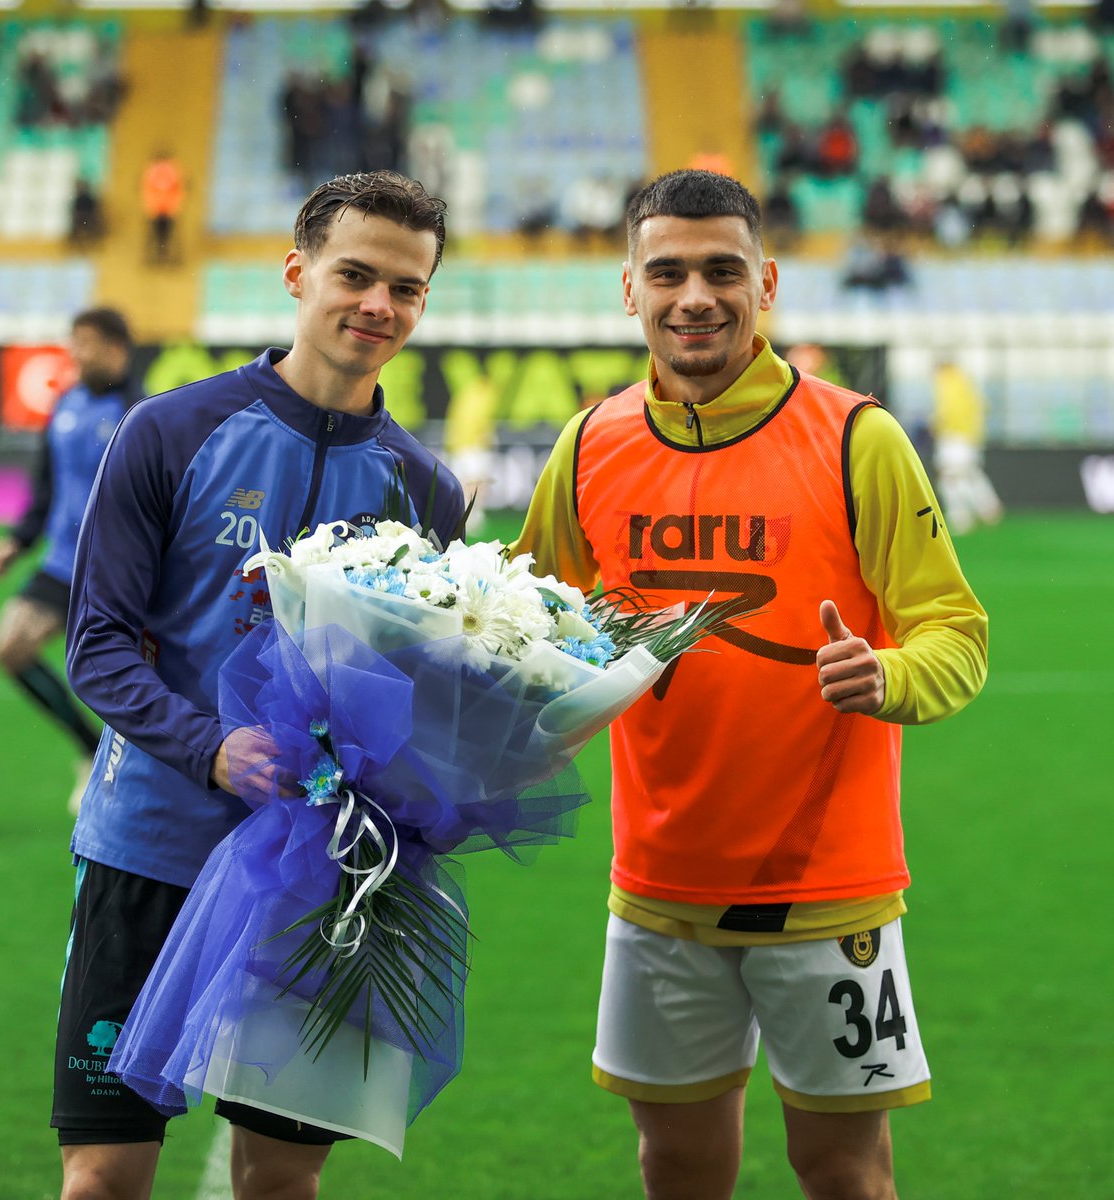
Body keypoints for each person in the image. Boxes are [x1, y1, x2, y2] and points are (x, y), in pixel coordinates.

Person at [510, 170, 988, 1200]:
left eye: (723, 271)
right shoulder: (590, 444)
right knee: (676, 1164)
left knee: (843, 1170)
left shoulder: (858, 436)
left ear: (764, 282)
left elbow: (956, 631)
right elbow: (531, 624)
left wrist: (889, 672)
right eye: (668, 271)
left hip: (830, 891)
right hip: (658, 888)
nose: (696, 296)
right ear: (628, 291)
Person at [54, 171, 464, 1200]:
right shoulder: (170, 431)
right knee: (104, 1174)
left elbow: (427, 687)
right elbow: (97, 645)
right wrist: (209, 747)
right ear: (297, 272)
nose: (378, 304)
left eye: (405, 288)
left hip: (317, 882)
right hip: (149, 849)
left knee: (279, 1182)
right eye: (356, 274)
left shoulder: (428, 491)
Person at [0, 308, 136, 815]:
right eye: (74, 343)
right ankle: (90, 751)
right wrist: (18, 540)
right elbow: (48, 486)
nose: (76, 353)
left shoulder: (142, 410)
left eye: (86, 344)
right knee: (10, 649)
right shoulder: (65, 403)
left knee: (112, 679)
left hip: (114, 571)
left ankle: (132, 771)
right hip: (62, 564)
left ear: (116, 349)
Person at [930, 358, 1004, 534]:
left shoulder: (947, 383)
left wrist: (935, 424)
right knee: (969, 473)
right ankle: (989, 508)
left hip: (954, 437)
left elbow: (946, 411)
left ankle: (960, 515)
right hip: (970, 437)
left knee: (950, 476)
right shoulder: (966, 383)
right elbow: (984, 406)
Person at [140, 150, 185, 265]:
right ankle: (156, 257)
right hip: (160, 210)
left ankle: (163, 256)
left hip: (165, 210)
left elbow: (177, 189)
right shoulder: (158, 171)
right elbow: (148, 189)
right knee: (157, 236)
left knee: (165, 236)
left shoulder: (169, 170)